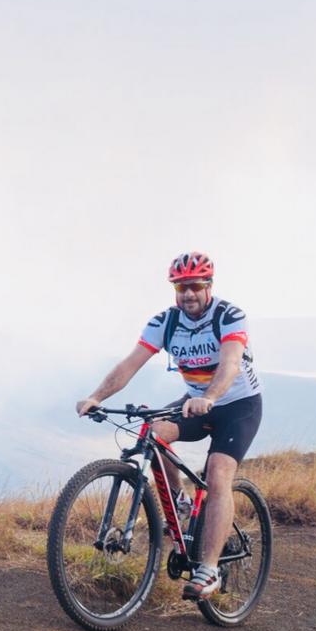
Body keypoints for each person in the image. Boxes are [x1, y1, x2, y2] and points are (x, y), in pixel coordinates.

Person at [74, 251, 263, 600]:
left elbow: (232, 363)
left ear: (208, 285)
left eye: (194, 286)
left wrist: (210, 396)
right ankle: (181, 503)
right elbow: (131, 363)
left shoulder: (230, 316)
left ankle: (208, 571)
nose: (187, 294)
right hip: (196, 403)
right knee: (154, 433)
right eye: (180, 288)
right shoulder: (166, 322)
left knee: (218, 472)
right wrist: (96, 396)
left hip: (237, 405)